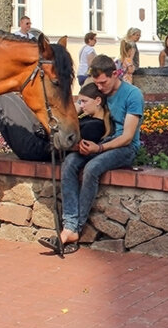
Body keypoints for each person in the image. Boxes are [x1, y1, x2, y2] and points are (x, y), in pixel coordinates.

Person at [42, 54, 143, 254]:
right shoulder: (100, 91)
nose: (100, 87)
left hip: (125, 148)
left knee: (92, 168)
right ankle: (69, 226)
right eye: (97, 83)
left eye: (103, 82)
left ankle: (74, 229)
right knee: (70, 161)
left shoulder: (133, 95)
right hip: (103, 142)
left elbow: (128, 137)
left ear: (115, 74)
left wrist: (99, 149)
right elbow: (86, 109)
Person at [0, 84, 110, 161]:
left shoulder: (95, 126)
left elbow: (69, 145)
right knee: (9, 98)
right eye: (80, 101)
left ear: (98, 101)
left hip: (39, 149)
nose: (81, 105)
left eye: (84, 101)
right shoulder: (87, 118)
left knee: (4, 102)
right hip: (40, 139)